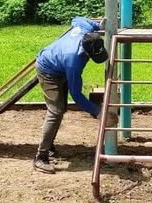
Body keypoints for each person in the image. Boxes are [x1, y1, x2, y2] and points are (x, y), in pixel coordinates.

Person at [33, 16, 109, 174]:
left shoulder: (86, 30)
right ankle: (41, 157)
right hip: (48, 70)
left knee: (62, 108)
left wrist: (97, 25)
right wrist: (98, 112)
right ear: (87, 53)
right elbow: (76, 95)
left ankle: (50, 146)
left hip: (59, 64)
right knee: (56, 111)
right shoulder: (74, 61)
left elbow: (77, 19)